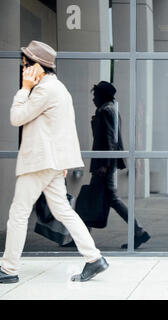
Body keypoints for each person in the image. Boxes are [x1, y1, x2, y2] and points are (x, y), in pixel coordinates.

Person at [0, 40, 109, 284]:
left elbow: (16, 117)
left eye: (25, 63)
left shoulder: (43, 89)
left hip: (39, 162)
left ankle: (8, 269)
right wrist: (63, 162)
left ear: (36, 66)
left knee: (18, 213)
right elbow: (65, 129)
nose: (22, 67)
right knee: (63, 211)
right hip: (51, 162)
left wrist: (24, 88)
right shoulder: (58, 88)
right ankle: (94, 259)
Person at [90, 81, 151, 249]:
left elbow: (110, 139)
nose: (93, 99)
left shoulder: (106, 110)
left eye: (95, 95)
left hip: (104, 165)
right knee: (94, 198)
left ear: (103, 95)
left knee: (107, 199)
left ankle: (139, 231)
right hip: (105, 163)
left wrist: (105, 164)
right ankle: (82, 236)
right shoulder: (109, 109)